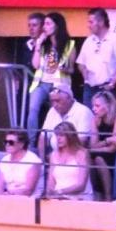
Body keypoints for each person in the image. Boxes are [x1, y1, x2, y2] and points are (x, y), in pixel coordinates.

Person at [28, 12, 76, 147]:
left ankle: (54, 143)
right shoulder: (43, 44)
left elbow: (72, 69)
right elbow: (35, 65)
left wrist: (64, 69)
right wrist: (38, 45)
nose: (45, 27)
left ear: (57, 26)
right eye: (44, 24)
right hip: (41, 82)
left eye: (48, 24)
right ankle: (31, 144)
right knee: (33, 109)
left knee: (56, 112)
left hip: (58, 84)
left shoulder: (69, 45)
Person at [77, 7, 116, 108]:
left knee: (108, 119)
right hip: (89, 88)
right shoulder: (89, 40)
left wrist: (113, 83)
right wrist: (84, 72)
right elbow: (80, 63)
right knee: (89, 119)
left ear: (101, 22)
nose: (88, 26)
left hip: (107, 88)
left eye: (91, 22)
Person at [88, 90, 116, 201]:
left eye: (97, 106)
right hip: (102, 153)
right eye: (93, 106)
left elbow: (113, 148)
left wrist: (99, 147)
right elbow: (92, 146)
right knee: (89, 158)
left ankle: (108, 196)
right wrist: (108, 140)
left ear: (108, 106)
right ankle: (97, 195)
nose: (94, 109)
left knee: (98, 159)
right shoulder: (95, 120)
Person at [41, 83, 96, 157]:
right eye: (52, 101)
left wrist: (63, 158)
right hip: (55, 156)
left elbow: (82, 141)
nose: (54, 105)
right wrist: (43, 162)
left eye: (58, 101)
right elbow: (43, 137)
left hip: (76, 157)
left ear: (69, 99)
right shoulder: (52, 111)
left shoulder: (83, 111)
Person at [45, 122, 93, 200]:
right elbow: (51, 184)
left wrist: (60, 192)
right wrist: (51, 193)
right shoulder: (53, 155)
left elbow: (81, 185)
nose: (58, 138)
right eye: (57, 135)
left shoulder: (82, 154)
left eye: (62, 135)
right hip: (58, 198)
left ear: (70, 136)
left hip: (79, 198)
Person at [0, 130, 43, 197]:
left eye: (11, 142)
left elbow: (28, 190)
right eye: (5, 142)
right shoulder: (4, 160)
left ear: (21, 144)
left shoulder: (33, 161)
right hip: (8, 199)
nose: (7, 144)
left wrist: (9, 193)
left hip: (29, 201)